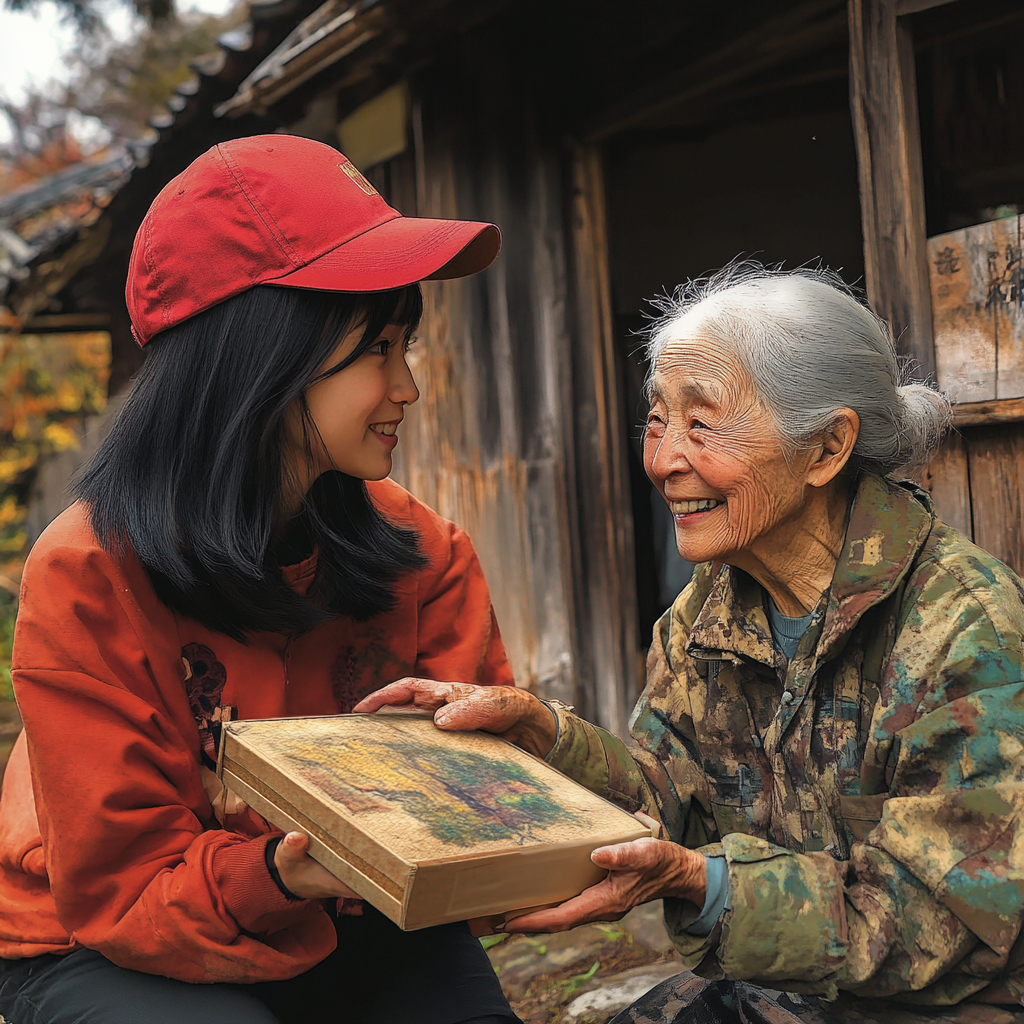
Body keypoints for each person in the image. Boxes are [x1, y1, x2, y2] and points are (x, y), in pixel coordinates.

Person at [358, 265, 1024, 1023]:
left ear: (826, 448)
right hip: (796, 992)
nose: (665, 460)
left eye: (702, 424)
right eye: (656, 420)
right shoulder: (707, 611)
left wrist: (696, 880)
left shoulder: (967, 629)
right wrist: (541, 734)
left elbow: (939, 922)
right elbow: (662, 797)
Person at [0, 135, 521, 1024]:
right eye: (378, 349)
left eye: (408, 345)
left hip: (350, 901)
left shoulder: (422, 550)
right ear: (261, 357)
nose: (408, 387)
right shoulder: (87, 574)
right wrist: (278, 868)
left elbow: (490, 800)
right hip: (105, 937)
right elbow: (124, 891)